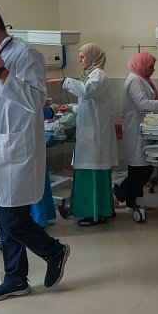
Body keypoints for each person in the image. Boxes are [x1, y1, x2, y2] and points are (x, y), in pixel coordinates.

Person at [0, 2, 70, 302]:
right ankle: (16, 279)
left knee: (14, 220)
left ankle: (55, 251)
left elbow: (37, 100)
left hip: (18, 153)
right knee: (3, 218)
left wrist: (0, 72)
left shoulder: (25, 54)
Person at [47, 43, 118, 226]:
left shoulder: (99, 76)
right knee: (86, 176)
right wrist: (70, 107)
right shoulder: (90, 76)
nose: (79, 60)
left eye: (82, 57)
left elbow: (86, 92)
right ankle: (96, 210)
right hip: (90, 134)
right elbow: (90, 105)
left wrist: (65, 82)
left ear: (93, 57)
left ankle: (97, 214)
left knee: (93, 177)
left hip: (96, 138)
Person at [114, 52, 158, 211]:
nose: (153, 70)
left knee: (138, 169)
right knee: (142, 170)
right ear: (142, 66)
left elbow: (150, 101)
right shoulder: (134, 80)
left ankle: (134, 203)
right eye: (151, 67)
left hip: (143, 127)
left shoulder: (142, 80)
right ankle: (118, 193)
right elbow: (143, 104)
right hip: (136, 129)